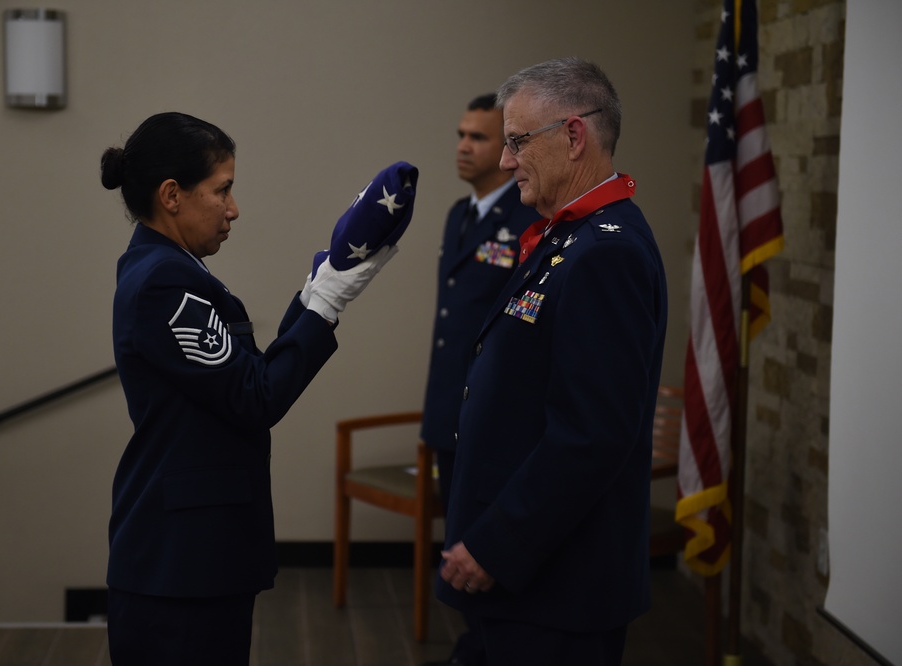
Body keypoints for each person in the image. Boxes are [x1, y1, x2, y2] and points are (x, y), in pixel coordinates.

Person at [101, 111, 415, 665]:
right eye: (222, 190)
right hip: (181, 567)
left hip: (194, 559)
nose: (233, 209)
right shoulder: (163, 281)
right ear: (171, 194)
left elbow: (244, 376)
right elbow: (256, 397)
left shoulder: (171, 267)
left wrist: (317, 288)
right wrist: (327, 303)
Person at [433, 58, 668, 665]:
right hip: (530, 580)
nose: (506, 161)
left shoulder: (605, 253)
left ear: (573, 136)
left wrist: (495, 543)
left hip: (557, 584)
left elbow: (591, 435)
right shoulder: (568, 236)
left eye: (516, 142)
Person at [419, 93, 538, 666]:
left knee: (487, 543)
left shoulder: (528, 219)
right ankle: (479, 642)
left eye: (481, 137)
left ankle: (490, 646)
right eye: (461, 134)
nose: (464, 147)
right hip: (450, 406)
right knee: (457, 534)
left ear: (509, 148)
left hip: (492, 416)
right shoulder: (458, 215)